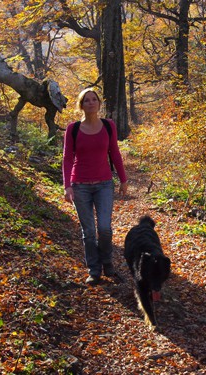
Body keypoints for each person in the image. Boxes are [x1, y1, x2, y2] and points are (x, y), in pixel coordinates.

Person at [62, 88, 128, 285]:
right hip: (80, 186)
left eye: (94, 99)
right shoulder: (72, 129)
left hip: (104, 185)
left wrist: (123, 180)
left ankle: (107, 263)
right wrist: (67, 186)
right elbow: (67, 159)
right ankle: (94, 270)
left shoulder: (109, 126)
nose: (91, 103)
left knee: (105, 228)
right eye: (86, 100)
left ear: (99, 103)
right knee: (89, 232)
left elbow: (115, 153)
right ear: (81, 105)